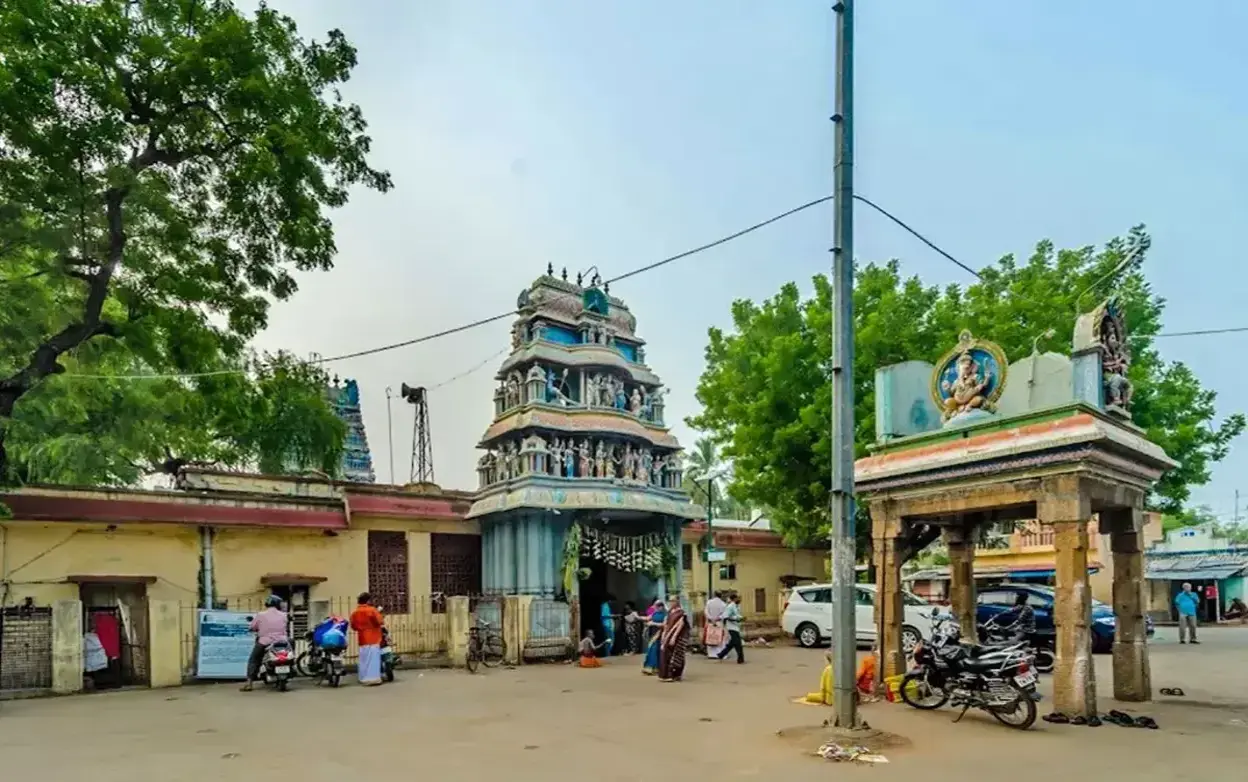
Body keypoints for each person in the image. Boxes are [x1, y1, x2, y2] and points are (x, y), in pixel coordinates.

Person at [243, 595, 289, 691]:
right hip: (282, 641)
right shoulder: (283, 615)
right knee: (290, 652)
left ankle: (249, 683)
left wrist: (253, 629)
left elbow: (252, 627)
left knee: (254, 660)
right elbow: (285, 626)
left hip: (265, 642)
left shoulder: (261, 615)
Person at [350, 592, 386, 684]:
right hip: (373, 637)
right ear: (368, 600)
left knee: (364, 659)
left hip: (362, 638)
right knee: (373, 659)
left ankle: (363, 678)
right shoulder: (372, 610)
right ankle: (373, 678)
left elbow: (353, 626)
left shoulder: (355, 612)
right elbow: (380, 621)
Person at [658, 594, 690, 682]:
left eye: (673, 601)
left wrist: (674, 637)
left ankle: (674, 675)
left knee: (676, 655)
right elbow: (666, 624)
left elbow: (680, 625)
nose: (671, 603)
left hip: (677, 637)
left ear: (677, 602)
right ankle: (665, 675)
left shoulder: (681, 613)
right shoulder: (669, 612)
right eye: (670, 601)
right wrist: (664, 635)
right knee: (665, 654)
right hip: (668, 635)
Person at [715, 592, 745, 664]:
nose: (740, 599)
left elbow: (736, 615)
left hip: (736, 626)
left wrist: (742, 618)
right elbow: (726, 616)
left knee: (732, 643)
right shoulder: (730, 606)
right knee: (738, 643)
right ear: (734, 598)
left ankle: (721, 654)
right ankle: (740, 659)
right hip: (732, 627)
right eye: (738, 598)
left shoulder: (736, 606)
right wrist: (736, 619)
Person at [642, 599, 666, 675]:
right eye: (656, 606)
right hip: (653, 634)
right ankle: (649, 667)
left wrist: (653, 623)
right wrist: (637, 617)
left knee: (656, 651)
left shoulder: (665, 615)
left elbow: (664, 625)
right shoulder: (654, 613)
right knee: (651, 650)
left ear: (662, 607)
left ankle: (656, 668)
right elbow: (647, 618)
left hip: (660, 634)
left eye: (659, 606)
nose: (657, 607)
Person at [703, 591, 727, 658]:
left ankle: (711, 654)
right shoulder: (723, 604)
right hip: (719, 622)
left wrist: (711, 618)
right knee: (720, 637)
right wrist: (717, 618)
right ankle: (719, 653)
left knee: (710, 636)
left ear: (714, 595)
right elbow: (724, 614)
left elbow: (706, 611)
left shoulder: (709, 602)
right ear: (721, 595)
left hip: (711, 622)